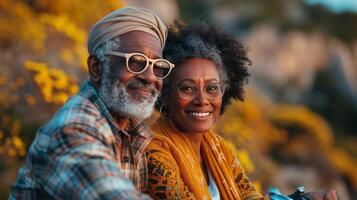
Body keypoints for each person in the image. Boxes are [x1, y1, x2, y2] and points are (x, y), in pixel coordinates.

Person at [144, 21, 338, 200]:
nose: (202, 100)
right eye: (187, 88)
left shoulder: (220, 149)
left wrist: (302, 198)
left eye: (212, 88)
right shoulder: (154, 150)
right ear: (165, 92)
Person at [10, 7, 174, 199]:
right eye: (136, 61)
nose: (149, 77)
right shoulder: (74, 128)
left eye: (158, 66)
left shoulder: (132, 129)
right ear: (97, 67)